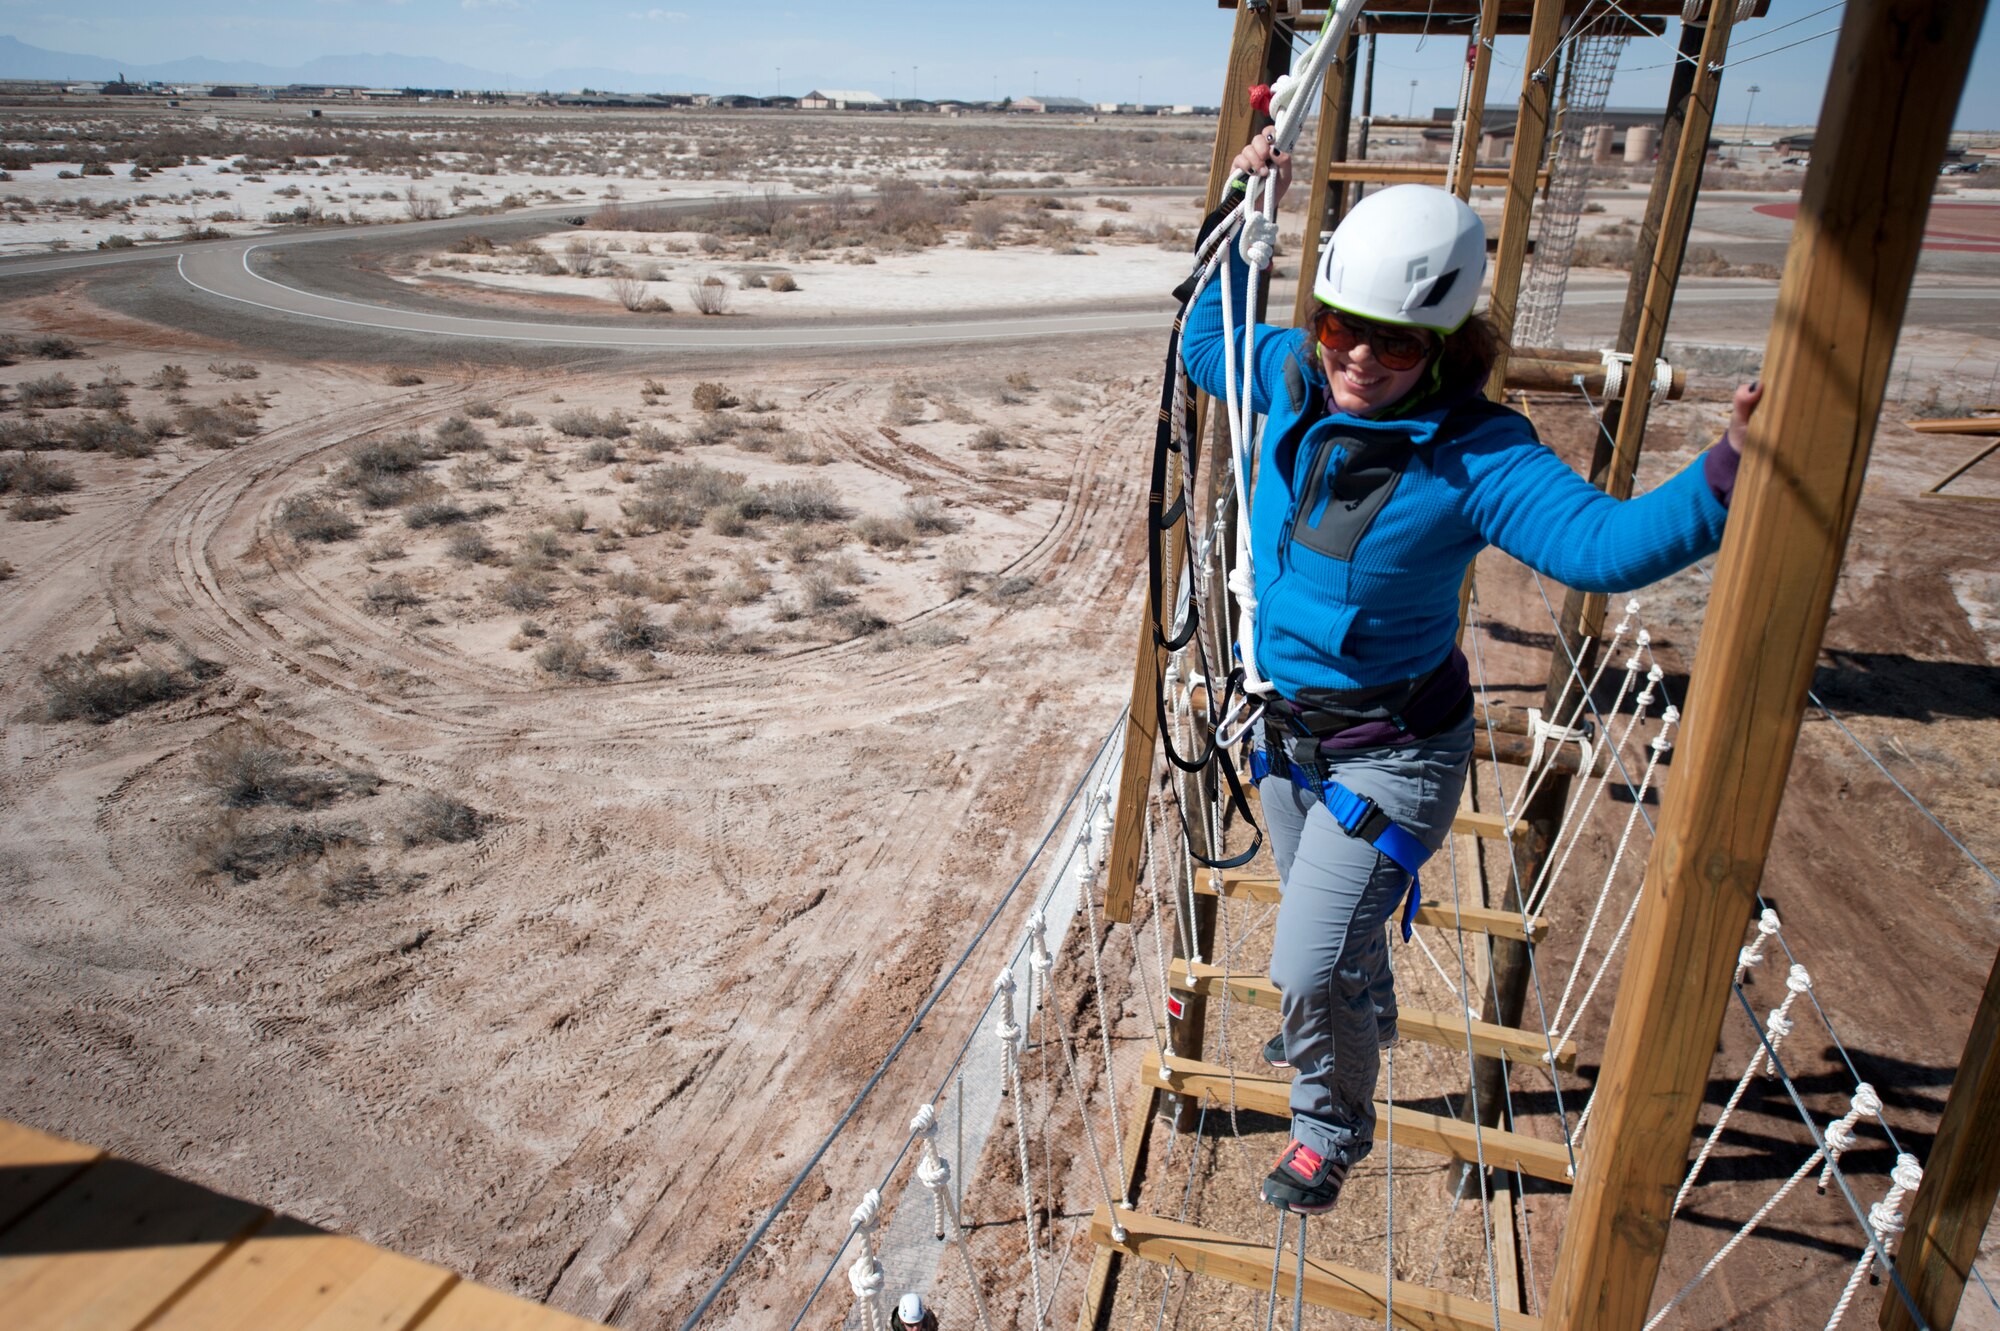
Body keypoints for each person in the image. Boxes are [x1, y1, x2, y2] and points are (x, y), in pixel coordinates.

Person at [1181, 131, 1762, 1216]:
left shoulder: (1475, 454)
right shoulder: (1285, 377)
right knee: (1333, 955)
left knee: (1302, 967)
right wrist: (1239, 206)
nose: (1359, 358)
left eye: (1394, 344)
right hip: (1286, 733)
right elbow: (1199, 337)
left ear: (1445, 346)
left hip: (1392, 752)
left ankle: (1328, 1125)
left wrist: (1727, 471)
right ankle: (1354, 1003)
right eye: (1342, 328)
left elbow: (1604, 546)